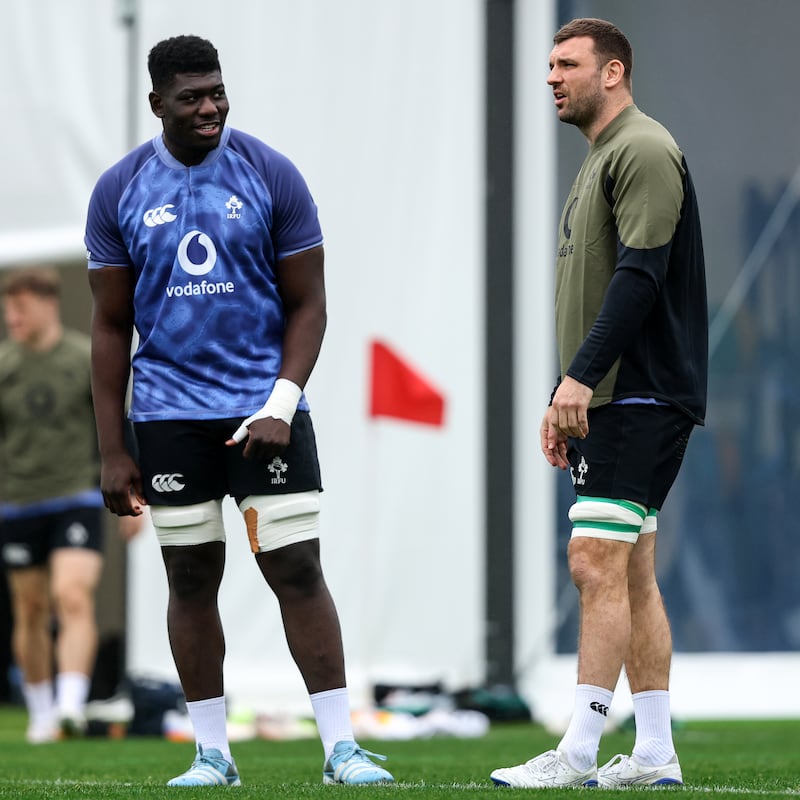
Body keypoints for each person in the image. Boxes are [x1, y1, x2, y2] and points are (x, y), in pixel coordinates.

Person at [85, 34, 393, 787]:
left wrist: (280, 403)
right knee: (190, 578)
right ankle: (212, 755)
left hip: (264, 411)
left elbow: (310, 304)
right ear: (156, 103)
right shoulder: (119, 189)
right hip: (167, 418)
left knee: (297, 568)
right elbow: (109, 326)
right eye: (191, 97)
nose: (210, 107)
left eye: (217, 92)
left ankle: (341, 750)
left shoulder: (270, 173)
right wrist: (114, 449)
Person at [490, 18, 706, 788]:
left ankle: (577, 752)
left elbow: (640, 276)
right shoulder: (601, 156)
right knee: (632, 569)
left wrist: (579, 379)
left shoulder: (642, 148)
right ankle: (653, 754)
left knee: (592, 559)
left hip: (637, 391)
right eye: (549, 65)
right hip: (614, 392)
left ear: (612, 72)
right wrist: (564, 391)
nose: (552, 77)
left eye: (567, 64)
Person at [0, 267, 136, 742]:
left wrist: (134, 489)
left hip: (75, 496)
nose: (12, 317)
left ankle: (70, 708)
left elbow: (117, 424)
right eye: (8, 308)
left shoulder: (82, 358)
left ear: (48, 304)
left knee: (72, 595)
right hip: (18, 503)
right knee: (30, 609)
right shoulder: (4, 365)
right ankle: (41, 714)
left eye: (20, 307)